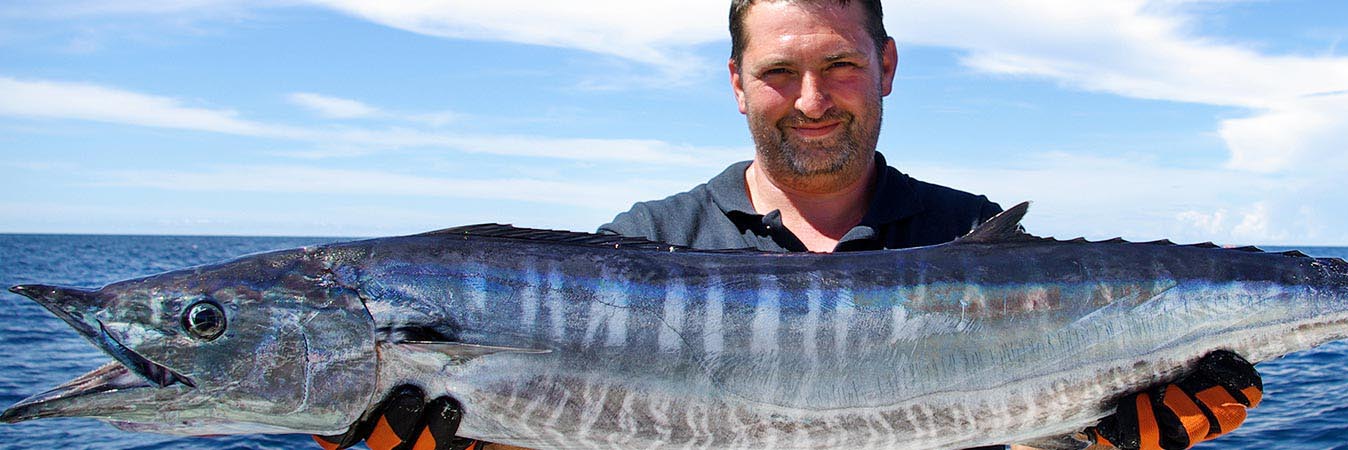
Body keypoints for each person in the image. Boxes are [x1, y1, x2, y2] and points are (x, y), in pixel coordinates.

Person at [316, 1, 1262, 449]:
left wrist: (1105, 443)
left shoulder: (967, 237)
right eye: (778, 72)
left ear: (887, 66)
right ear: (735, 83)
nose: (812, 101)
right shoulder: (640, 245)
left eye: (841, 66)